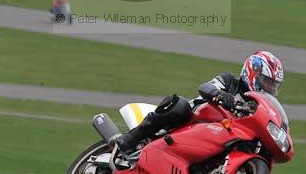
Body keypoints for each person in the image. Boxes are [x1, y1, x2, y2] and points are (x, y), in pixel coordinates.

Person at [114, 50, 285, 154]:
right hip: (193, 119)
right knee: (179, 106)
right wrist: (220, 95)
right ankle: (131, 138)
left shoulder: (256, 105)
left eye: (273, 85)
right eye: (266, 81)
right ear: (251, 72)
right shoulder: (229, 81)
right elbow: (205, 87)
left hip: (219, 136)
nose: (269, 88)